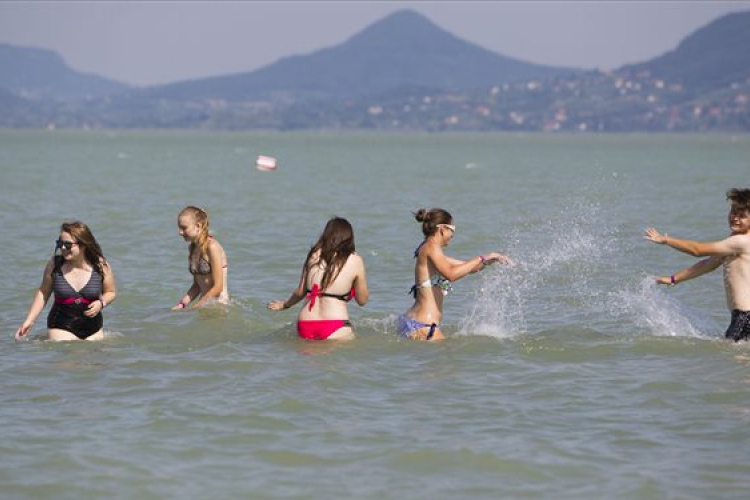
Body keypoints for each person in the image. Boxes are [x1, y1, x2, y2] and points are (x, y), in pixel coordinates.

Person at [645, 188, 750, 342]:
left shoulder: (740, 242)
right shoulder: (734, 241)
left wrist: (667, 240)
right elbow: (708, 264)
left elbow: (697, 250)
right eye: (733, 212)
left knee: (733, 358)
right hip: (742, 316)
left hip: (745, 317)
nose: (735, 218)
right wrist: (673, 279)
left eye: (742, 216)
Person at [398, 208, 512, 341]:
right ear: (442, 229)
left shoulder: (427, 248)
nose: (452, 235)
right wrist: (482, 257)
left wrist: (490, 260)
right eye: (452, 231)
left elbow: (468, 268)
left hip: (411, 321)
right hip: (425, 326)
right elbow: (451, 274)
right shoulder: (431, 248)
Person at [267, 217, 369, 340]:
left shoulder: (313, 255)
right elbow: (362, 300)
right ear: (349, 238)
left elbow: (300, 292)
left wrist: (284, 305)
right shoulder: (355, 260)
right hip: (335, 323)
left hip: (306, 324)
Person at [15, 221, 116, 342]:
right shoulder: (54, 264)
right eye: (60, 243)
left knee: (93, 359)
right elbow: (43, 292)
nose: (62, 248)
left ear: (83, 245)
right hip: (61, 325)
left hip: (93, 328)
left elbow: (110, 292)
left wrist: (101, 303)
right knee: (68, 356)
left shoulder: (100, 265)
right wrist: (29, 321)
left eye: (67, 245)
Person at [173, 206, 229, 309]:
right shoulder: (193, 248)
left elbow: (218, 287)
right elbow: (197, 286)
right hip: (204, 306)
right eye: (179, 228)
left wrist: (197, 306)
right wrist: (181, 304)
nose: (180, 232)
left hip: (219, 308)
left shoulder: (212, 247)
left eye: (184, 228)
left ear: (198, 226)